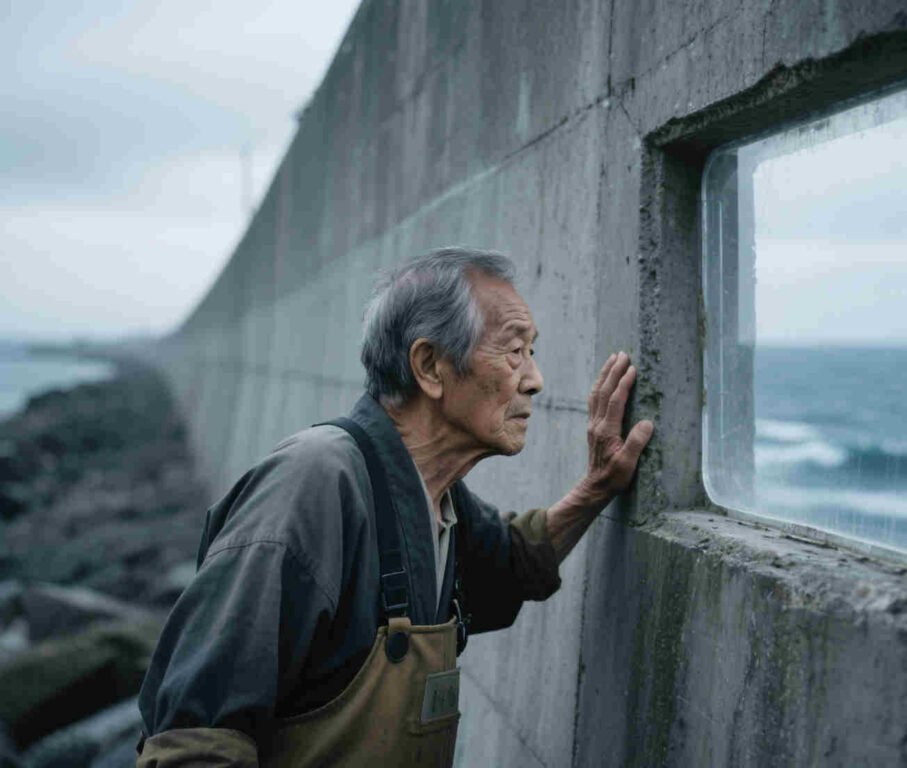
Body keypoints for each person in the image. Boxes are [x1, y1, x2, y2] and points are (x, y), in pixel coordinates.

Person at [136, 248, 654, 767]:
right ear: (430, 367)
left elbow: (514, 564)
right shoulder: (312, 485)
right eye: (515, 351)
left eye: (532, 352)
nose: (535, 379)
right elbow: (194, 739)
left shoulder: (439, 500)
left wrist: (598, 486)